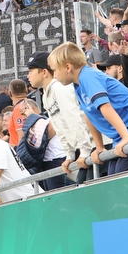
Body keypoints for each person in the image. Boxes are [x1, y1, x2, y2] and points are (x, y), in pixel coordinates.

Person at [48, 42, 128, 174]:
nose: (54, 76)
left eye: (55, 70)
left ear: (68, 67)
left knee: (121, 177)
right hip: (123, 134)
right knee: (112, 175)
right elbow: (88, 114)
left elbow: (105, 107)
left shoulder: (88, 76)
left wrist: (125, 138)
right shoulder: (78, 84)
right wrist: (99, 146)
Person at [25, 52, 95, 183]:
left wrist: (85, 151)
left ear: (44, 72)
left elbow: (75, 119)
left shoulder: (60, 88)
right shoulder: (47, 94)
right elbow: (59, 127)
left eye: (31, 70)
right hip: (84, 149)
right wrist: (69, 155)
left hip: (93, 147)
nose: (28, 75)